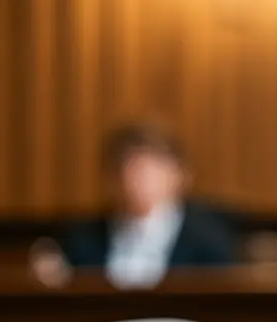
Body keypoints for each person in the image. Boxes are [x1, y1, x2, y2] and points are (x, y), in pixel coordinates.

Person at [30, 121, 238, 289]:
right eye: (128, 168)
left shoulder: (211, 239)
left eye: (149, 169)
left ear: (180, 175)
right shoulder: (82, 238)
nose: (136, 180)